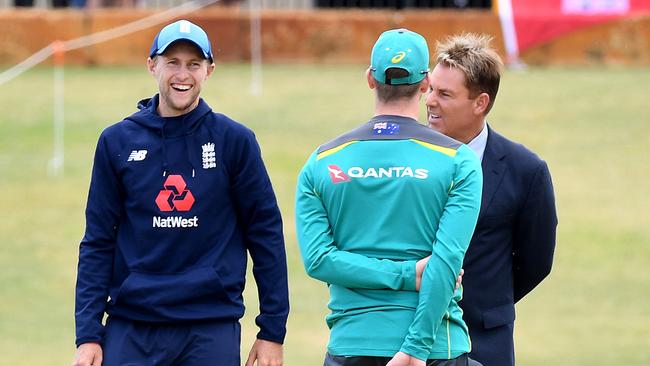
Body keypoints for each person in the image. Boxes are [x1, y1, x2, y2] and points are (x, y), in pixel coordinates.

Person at [72, 20, 289, 366]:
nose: (182, 75)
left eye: (193, 64)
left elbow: (265, 236)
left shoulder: (235, 142)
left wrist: (272, 331)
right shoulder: (116, 142)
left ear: (209, 70)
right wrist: (87, 334)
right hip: (133, 325)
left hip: (210, 325)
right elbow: (98, 240)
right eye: (172, 62)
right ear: (152, 65)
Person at [295, 29, 483, 366]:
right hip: (437, 347)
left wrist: (403, 274)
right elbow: (445, 264)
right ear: (425, 84)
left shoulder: (322, 162)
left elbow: (319, 260)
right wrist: (415, 348)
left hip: (352, 343)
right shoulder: (459, 161)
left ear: (370, 78)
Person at [425, 33, 557, 366]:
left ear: (480, 103)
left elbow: (536, 262)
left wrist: (490, 302)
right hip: (411, 342)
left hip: (484, 342)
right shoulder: (410, 159)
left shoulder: (526, 171)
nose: (429, 100)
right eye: (429, 88)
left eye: (444, 93)